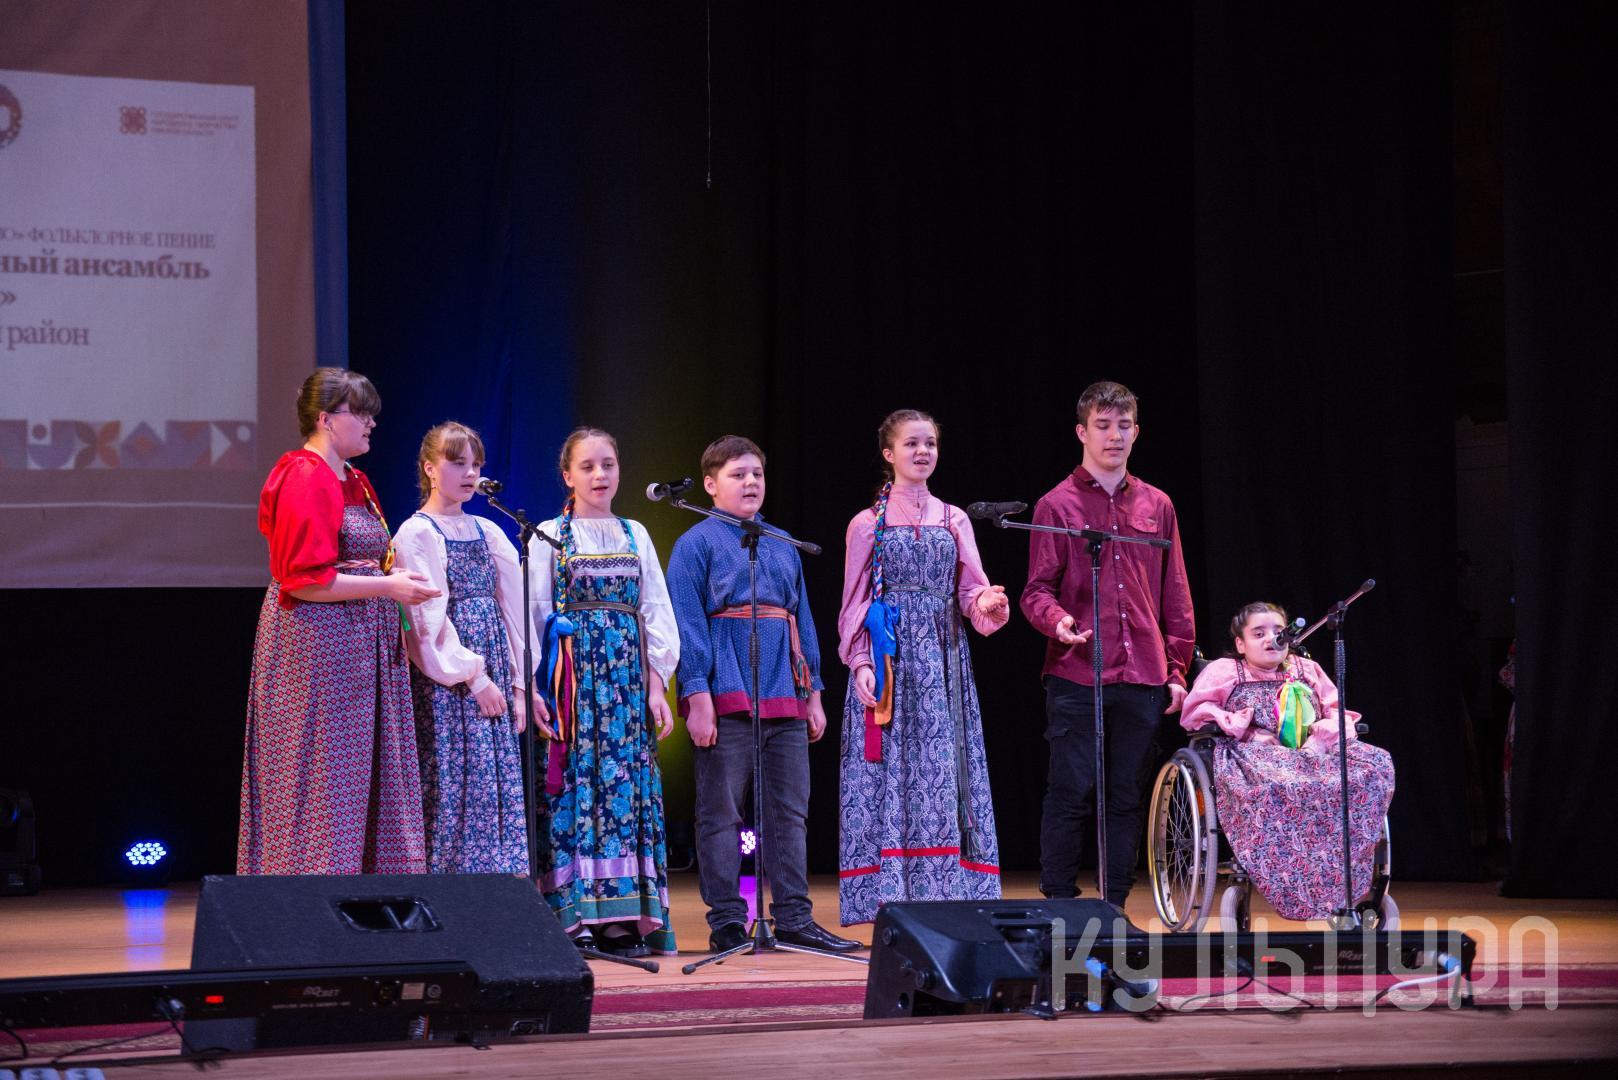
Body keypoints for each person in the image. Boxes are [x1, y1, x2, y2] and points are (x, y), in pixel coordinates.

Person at [238, 367, 440, 875]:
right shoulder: (305, 475)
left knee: (364, 775)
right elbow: (303, 581)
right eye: (361, 413)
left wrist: (392, 577)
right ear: (326, 419)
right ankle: (311, 894)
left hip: (360, 645)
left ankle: (372, 892)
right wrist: (387, 587)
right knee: (323, 777)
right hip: (318, 647)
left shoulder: (353, 478)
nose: (372, 423)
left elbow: (362, 558)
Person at [667, 435, 861, 953]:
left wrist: (813, 691)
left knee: (789, 811)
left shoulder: (781, 541)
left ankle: (794, 917)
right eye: (738, 474)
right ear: (711, 485)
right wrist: (697, 693)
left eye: (757, 473)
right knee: (721, 812)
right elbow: (687, 622)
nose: (751, 482)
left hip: (784, 686)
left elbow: (802, 618)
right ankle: (727, 921)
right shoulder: (696, 544)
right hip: (726, 685)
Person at [1020, 380, 1195, 907]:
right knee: (1070, 791)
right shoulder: (1057, 504)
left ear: (1136, 432)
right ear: (1082, 432)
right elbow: (1036, 590)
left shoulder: (1158, 504)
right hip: (1077, 669)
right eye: (1103, 425)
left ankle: (1115, 905)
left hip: (1143, 672)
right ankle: (1059, 905)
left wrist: (1177, 669)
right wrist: (1058, 622)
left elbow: (1175, 593)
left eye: (1123, 426)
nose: (1114, 436)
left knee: (1126, 795)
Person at [836, 409, 1008, 923]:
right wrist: (861, 663)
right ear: (889, 453)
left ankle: (948, 890)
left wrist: (986, 602)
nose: (923, 452)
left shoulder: (954, 519)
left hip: (942, 662)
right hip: (890, 661)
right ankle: (889, 891)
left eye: (930, 443)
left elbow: (971, 590)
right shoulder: (866, 524)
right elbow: (853, 603)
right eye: (911, 443)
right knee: (889, 771)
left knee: (943, 771)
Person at [526, 428, 679, 957]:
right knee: (573, 789)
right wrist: (537, 688)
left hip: (625, 686)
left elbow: (655, 611)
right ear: (567, 475)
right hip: (571, 685)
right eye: (588, 466)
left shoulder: (635, 533)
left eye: (608, 464)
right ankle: (575, 916)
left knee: (624, 792)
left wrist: (657, 685)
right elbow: (534, 613)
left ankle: (622, 917)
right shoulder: (548, 536)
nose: (600, 475)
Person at [1180, 602, 1397, 920]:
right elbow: (1196, 712)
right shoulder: (1225, 671)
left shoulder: (1306, 669)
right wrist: (1244, 729)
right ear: (1240, 643)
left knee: (1375, 765)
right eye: (1258, 633)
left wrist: (1325, 732)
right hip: (1254, 756)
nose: (1271, 639)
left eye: (1278, 632)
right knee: (1279, 784)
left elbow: (1336, 709)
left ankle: (1345, 881)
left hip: (1315, 753)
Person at [394, 421, 529, 875]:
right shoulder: (417, 533)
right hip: (450, 681)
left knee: (494, 782)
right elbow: (426, 622)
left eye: (475, 464)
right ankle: (452, 889)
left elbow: (514, 608)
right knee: (454, 782)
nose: (470, 473)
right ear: (430, 469)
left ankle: (499, 889)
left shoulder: (487, 530)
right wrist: (476, 677)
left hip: (493, 669)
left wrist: (518, 684)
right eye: (457, 463)